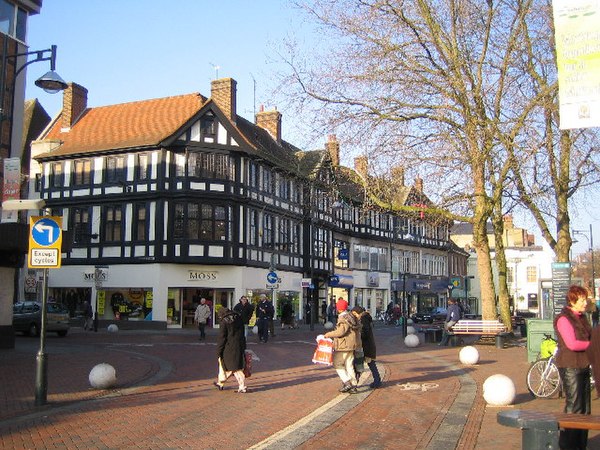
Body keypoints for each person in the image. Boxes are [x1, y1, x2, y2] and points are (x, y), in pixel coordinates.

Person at [554, 285, 592, 449]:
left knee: (585, 410)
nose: (585, 303)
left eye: (585, 299)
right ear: (572, 300)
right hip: (570, 366)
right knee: (574, 407)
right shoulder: (563, 319)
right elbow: (572, 344)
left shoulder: (583, 318)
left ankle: (580, 445)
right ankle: (568, 445)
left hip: (583, 365)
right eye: (582, 300)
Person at [324, 298, 361, 394]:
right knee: (349, 365)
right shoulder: (352, 317)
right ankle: (354, 385)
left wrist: (329, 334)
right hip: (352, 345)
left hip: (344, 345)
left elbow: (341, 331)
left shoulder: (343, 318)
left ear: (339, 309)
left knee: (337, 363)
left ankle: (346, 382)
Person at [214, 301, 247, 393]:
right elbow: (242, 332)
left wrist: (219, 350)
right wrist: (243, 345)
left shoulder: (224, 322)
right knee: (231, 365)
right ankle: (221, 382)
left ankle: (242, 386)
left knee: (234, 367)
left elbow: (222, 337)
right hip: (238, 345)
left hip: (228, 347)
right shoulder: (238, 317)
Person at [352, 305, 382, 388]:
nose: (354, 316)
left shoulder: (363, 319)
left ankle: (376, 381)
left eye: (355, 314)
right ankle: (377, 380)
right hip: (368, 346)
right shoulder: (366, 318)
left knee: (359, 364)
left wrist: (358, 335)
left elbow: (365, 332)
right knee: (368, 363)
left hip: (366, 346)